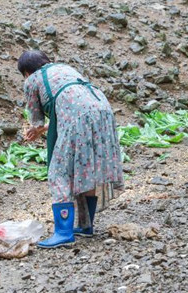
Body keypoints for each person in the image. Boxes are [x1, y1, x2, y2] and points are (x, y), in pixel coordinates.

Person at [18, 50, 124, 248]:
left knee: (59, 171)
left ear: (26, 72)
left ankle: (63, 232)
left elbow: (37, 118)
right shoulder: (64, 69)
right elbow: (75, 108)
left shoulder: (32, 79)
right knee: (87, 167)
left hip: (79, 117)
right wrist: (44, 130)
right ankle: (85, 225)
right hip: (103, 111)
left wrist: (36, 128)